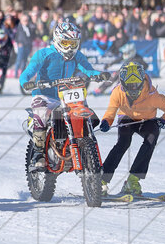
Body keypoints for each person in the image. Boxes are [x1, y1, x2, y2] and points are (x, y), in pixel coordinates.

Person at [20, 21, 110, 172]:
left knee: (91, 118)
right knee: (41, 115)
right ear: (57, 39)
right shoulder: (43, 54)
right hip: (45, 95)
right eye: (66, 42)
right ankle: (38, 155)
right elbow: (27, 72)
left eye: (73, 43)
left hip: (67, 95)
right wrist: (26, 83)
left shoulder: (78, 56)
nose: (69, 47)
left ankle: (84, 148)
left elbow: (88, 70)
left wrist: (99, 75)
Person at [97, 62, 165, 196]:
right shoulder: (117, 93)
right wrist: (106, 121)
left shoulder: (153, 96)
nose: (133, 89)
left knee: (151, 139)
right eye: (130, 86)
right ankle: (102, 181)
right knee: (123, 143)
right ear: (123, 83)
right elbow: (111, 111)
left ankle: (133, 180)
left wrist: (162, 120)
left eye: (136, 85)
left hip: (147, 120)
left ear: (141, 82)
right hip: (126, 118)